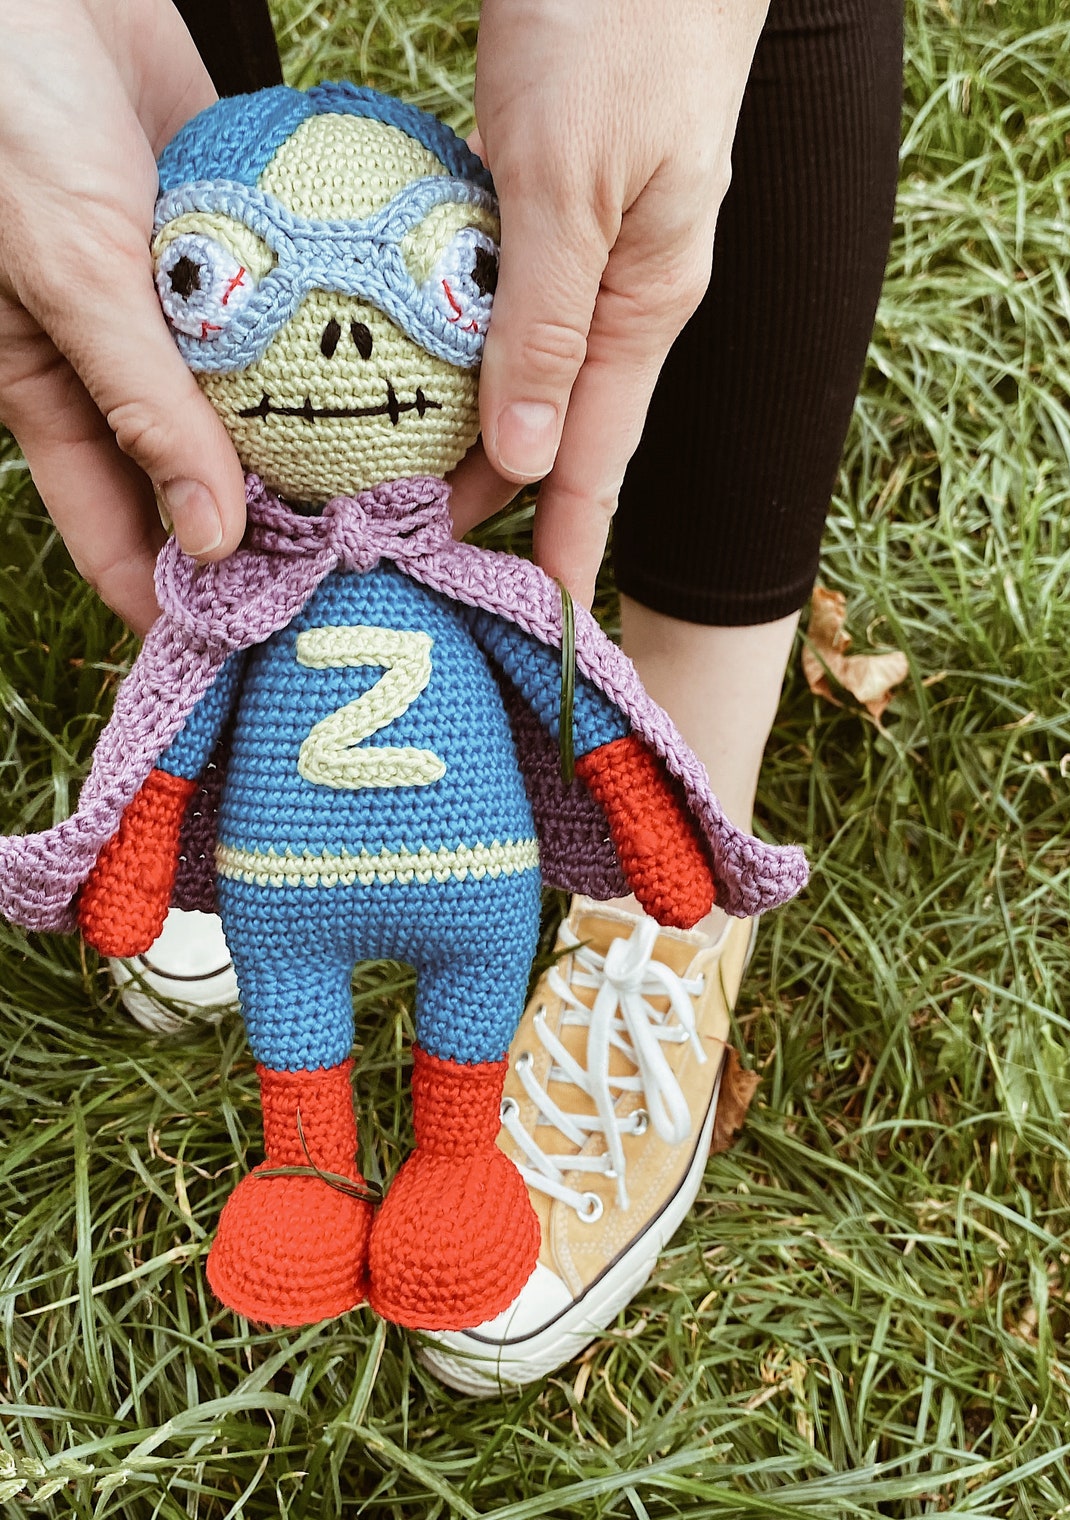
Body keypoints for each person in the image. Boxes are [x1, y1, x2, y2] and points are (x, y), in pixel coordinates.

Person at [0, 0, 903, 1388]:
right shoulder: (274, 610)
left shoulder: (482, 601)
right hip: (299, 834)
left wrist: (657, 822)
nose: (343, 345)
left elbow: (584, 712)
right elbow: (171, 738)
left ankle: (650, 928)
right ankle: (307, 1168)